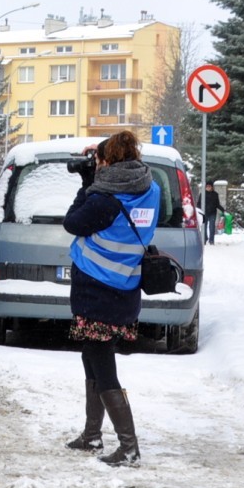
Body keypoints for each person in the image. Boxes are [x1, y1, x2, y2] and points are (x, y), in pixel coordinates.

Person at [62, 131, 160, 466]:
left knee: (102, 364)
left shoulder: (104, 199)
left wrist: (87, 183)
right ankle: (92, 435)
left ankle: (128, 447)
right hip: (126, 285)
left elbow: (73, 223)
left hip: (97, 289)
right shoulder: (152, 189)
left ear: (107, 161)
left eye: (99, 160)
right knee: (92, 356)